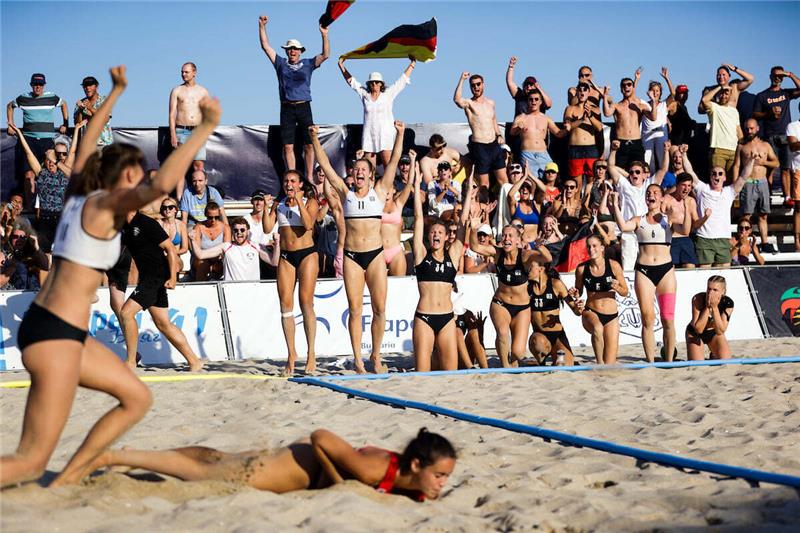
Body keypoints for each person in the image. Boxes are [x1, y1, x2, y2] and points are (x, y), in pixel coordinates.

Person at [0, 66, 220, 488]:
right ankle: (61, 476)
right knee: (29, 461)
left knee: (136, 397)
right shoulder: (104, 205)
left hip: (56, 330)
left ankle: (69, 478)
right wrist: (204, 128)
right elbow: (166, 183)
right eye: (136, 173)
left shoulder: (80, 189)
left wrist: (115, 94)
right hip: (55, 337)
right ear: (123, 177)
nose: (141, 179)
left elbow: (88, 134)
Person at [82, 427, 456, 501]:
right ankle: (115, 456)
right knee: (205, 470)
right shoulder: (375, 471)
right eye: (438, 475)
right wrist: (336, 482)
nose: (441, 483)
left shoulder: (410, 480)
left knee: (214, 458)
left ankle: (132, 456)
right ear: (417, 464)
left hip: (293, 464)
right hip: (288, 471)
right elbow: (321, 436)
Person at [311, 121, 404, 374]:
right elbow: (328, 168)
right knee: (354, 309)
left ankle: (375, 355)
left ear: (371, 175)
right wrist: (315, 139)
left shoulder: (379, 191)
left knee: (380, 309)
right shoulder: (346, 193)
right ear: (352, 174)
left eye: (364, 169)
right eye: (356, 169)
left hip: (375, 255)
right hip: (351, 256)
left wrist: (400, 134)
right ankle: (358, 359)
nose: (359, 172)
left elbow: (394, 160)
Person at [118, 209, 205, 371]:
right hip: (148, 277)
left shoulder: (145, 222)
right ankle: (194, 361)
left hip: (156, 276)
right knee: (163, 323)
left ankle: (130, 362)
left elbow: (170, 249)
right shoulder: (124, 226)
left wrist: (173, 278)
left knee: (126, 313)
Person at [611, 186, 691, 362]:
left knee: (667, 320)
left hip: (666, 272)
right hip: (645, 271)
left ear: (662, 198)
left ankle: (669, 360)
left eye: (655, 193)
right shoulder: (639, 220)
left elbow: (685, 230)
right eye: (648, 193)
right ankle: (650, 361)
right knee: (647, 319)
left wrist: (686, 206)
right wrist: (616, 204)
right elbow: (623, 226)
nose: (651, 195)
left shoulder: (667, 220)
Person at [412, 151, 469, 372]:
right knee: (422, 376)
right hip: (424, 318)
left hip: (446, 318)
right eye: (433, 232)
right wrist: (416, 186)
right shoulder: (420, 255)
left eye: (440, 233)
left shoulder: (453, 256)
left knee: (450, 376)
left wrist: (468, 191)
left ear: (446, 237)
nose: (436, 235)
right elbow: (418, 218)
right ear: (429, 236)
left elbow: (463, 223)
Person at [468, 218, 551, 368]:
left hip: (522, 308)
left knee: (518, 353)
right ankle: (505, 369)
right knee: (503, 333)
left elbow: (547, 258)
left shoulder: (525, 256)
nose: (506, 239)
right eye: (504, 235)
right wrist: (473, 228)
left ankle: (508, 358)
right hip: (501, 304)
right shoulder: (498, 254)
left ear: (518, 240)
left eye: (510, 236)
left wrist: (540, 246)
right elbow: (475, 246)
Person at [262, 170, 320, 375]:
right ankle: (292, 354)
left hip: (307, 254)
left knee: (306, 302)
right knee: (285, 305)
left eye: (293, 181)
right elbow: (268, 228)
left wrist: (299, 201)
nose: (289, 184)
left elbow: (309, 224)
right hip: (286, 256)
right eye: (286, 180)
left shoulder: (309, 202)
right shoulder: (280, 204)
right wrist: (267, 208)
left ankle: (311, 354)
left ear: (301, 184)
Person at [259, 14, 330, 183]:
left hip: (304, 106)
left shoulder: (308, 63)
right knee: (288, 146)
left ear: (300, 51)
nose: (292, 51)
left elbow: (326, 54)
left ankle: (309, 176)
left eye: (295, 49)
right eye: (289, 49)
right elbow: (265, 46)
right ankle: (291, 176)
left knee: (309, 144)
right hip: (287, 108)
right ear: (286, 51)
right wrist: (262, 27)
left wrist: (324, 34)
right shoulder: (281, 63)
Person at [10, 122, 81, 253]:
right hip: (45, 218)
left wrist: (76, 130)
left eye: (53, 160)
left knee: (65, 253)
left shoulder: (64, 172)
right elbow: (28, 152)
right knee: (44, 253)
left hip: (62, 217)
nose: (51, 162)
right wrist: (20, 134)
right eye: (48, 160)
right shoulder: (41, 173)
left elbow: (72, 151)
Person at [338, 57, 415, 170]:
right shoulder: (365, 95)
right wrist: (341, 66)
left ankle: (392, 187)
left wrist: (412, 64)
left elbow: (402, 81)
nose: (374, 84)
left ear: (381, 84)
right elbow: (352, 82)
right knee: (370, 171)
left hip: (385, 136)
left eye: (377, 82)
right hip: (369, 137)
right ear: (369, 84)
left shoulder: (388, 94)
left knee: (389, 169)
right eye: (372, 82)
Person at [6, 73, 69, 208]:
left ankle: (52, 206)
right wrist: (10, 124)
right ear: (31, 85)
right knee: (29, 176)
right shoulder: (23, 98)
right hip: (29, 141)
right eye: (35, 84)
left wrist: (65, 123)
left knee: (52, 173)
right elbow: (9, 106)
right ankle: (29, 209)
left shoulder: (52, 97)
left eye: (40, 85)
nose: (38, 87)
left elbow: (64, 104)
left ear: (44, 85)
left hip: (47, 141)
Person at [570, 235, 629, 365]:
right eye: (589, 246)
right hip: (591, 311)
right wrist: (575, 293)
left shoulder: (613, 265)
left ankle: (603, 366)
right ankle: (599, 363)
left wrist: (617, 287)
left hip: (611, 316)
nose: (591, 249)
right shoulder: (581, 269)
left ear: (602, 248)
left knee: (610, 363)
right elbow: (578, 291)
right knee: (597, 329)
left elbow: (625, 292)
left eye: (594, 246)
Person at [693, 155, 756, 267]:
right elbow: (690, 172)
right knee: (704, 273)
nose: (717, 176)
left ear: (725, 178)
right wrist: (683, 155)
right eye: (714, 173)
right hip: (704, 238)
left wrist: (751, 160)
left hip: (723, 238)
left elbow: (743, 177)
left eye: (720, 173)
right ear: (710, 176)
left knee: (723, 273)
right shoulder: (702, 188)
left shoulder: (729, 191)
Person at [752, 67, 800, 207]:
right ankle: (768, 195)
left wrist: (789, 75)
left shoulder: (786, 93)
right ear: (770, 76)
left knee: (785, 168)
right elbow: (755, 114)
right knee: (770, 168)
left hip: (785, 135)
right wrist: (769, 113)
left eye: (780, 76)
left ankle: (787, 197)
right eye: (775, 75)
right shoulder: (762, 95)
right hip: (770, 135)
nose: (778, 78)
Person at [454, 72, 507, 188]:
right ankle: (483, 206)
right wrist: (462, 79)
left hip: (494, 145)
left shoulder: (491, 103)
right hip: (480, 146)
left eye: (478, 84)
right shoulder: (469, 103)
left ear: (483, 84)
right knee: (484, 185)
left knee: (504, 182)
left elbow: (493, 120)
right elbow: (457, 100)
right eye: (473, 85)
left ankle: (508, 206)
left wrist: (499, 134)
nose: (476, 87)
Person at [733, 119, 779, 252]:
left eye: (752, 128)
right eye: (747, 128)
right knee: (746, 215)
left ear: (757, 128)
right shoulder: (742, 146)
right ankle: (744, 244)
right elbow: (736, 166)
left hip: (762, 182)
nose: (749, 131)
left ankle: (765, 243)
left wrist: (763, 162)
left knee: (763, 215)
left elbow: (776, 163)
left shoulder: (766, 146)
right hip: (748, 183)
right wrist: (735, 186)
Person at [527, 262, 584, 366]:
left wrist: (578, 306)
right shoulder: (527, 287)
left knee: (563, 365)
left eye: (530, 267)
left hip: (557, 335)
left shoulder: (555, 284)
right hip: (540, 336)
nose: (527, 269)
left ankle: (558, 356)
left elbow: (576, 311)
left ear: (541, 268)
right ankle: (541, 362)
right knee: (537, 343)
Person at [168, 62, 210, 198]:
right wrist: (173, 134)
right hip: (181, 131)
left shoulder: (203, 91)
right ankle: (179, 199)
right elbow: (172, 113)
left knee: (198, 166)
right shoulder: (177, 90)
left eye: (186, 72)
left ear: (194, 72)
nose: (183, 74)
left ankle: (199, 197)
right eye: (182, 72)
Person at [193, 217, 280, 280]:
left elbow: (274, 262)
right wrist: (192, 239)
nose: (239, 233)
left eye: (242, 230)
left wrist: (277, 244)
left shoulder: (256, 246)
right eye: (236, 230)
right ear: (232, 231)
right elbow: (200, 255)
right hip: (231, 291)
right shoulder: (226, 247)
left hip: (252, 291)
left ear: (248, 232)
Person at [510, 90, 569, 179]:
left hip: (543, 155)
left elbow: (558, 134)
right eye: (531, 99)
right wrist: (518, 128)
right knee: (530, 183)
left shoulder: (546, 118)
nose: (534, 102)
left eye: (536, 99)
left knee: (550, 181)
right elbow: (512, 133)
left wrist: (567, 130)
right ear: (527, 101)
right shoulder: (521, 118)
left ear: (541, 102)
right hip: (527, 155)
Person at [602, 71, 649, 170]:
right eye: (623, 85)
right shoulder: (617, 105)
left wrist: (653, 101)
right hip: (621, 143)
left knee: (638, 170)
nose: (626, 87)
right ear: (621, 89)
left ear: (633, 87)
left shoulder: (639, 105)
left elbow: (653, 117)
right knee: (619, 171)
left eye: (629, 85)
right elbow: (606, 113)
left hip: (636, 142)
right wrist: (605, 96)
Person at [563, 82, 604, 190]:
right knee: (577, 185)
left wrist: (590, 116)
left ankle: (589, 206)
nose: (582, 91)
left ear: (588, 92)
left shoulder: (595, 109)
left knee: (592, 185)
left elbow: (599, 128)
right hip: (575, 149)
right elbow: (568, 126)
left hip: (591, 148)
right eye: (580, 89)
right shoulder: (570, 108)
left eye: (585, 89)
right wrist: (581, 119)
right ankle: (577, 205)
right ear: (576, 92)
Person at [701, 84, 743, 181]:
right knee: (717, 181)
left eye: (726, 93)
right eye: (721, 94)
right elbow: (704, 100)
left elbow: (738, 131)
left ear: (730, 95)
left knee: (732, 182)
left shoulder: (734, 111)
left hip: (734, 151)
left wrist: (743, 147)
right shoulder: (714, 108)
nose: (723, 96)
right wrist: (721, 87)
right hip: (718, 151)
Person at [686, 276, 734, 360]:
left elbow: (720, 331)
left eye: (715, 290)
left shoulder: (728, 303)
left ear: (723, 292)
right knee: (698, 365)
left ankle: (714, 353)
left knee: (726, 360)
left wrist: (714, 308)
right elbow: (698, 329)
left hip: (713, 332)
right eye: (709, 289)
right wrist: (708, 307)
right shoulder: (698, 299)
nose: (710, 293)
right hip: (695, 334)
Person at [382, 158, 414, 276]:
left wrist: (413, 159)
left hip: (395, 251)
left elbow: (409, 183)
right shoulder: (375, 205)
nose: (386, 190)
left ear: (394, 189)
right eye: (384, 187)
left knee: (398, 286)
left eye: (389, 187)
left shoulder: (398, 204)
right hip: (378, 252)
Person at [662, 170, 701, 268]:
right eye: (684, 185)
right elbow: (661, 220)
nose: (686, 188)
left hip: (686, 239)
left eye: (689, 186)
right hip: (671, 239)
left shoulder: (691, 201)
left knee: (690, 267)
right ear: (677, 185)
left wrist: (705, 218)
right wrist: (669, 215)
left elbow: (696, 224)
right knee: (670, 269)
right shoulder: (667, 199)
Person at [0, 223, 49, 291]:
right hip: (11, 294)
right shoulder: (4, 253)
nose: (19, 240)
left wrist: (36, 247)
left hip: (31, 293)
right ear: (10, 238)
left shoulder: (31, 252)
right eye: (15, 237)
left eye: (22, 237)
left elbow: (45, 266)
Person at [190, 201, 229, 280]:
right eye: (210, 217)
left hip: (218, 259)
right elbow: (197, 251)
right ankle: (200, 287)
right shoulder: (199, 227)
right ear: (205, 215)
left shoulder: (225, 228)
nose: (213, 220)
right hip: (201, 259)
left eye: (216, 217)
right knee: (202, 264)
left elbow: (227, 249)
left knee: (221, 265)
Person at [641, 72, 672, 170]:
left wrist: (667, 78)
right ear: (649, 92)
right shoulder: (644, 104)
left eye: (657, 91)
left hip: (661, 135)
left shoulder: (664, 104)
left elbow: (674, 94)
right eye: (653, 90)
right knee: (648, 163)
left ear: (660, 92)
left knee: (662, 161)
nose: (655, 93)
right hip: (647, 135)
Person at [74, 76, 113, 149]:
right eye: (85, 86)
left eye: (90, 85)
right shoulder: (80, 103)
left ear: (96, 86)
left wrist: (90, 108)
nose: (87, 88)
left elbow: (105, 119)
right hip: (86, 145)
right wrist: (80, 110)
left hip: (102, 144)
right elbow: (78, 124)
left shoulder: (105, 100)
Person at [787, 102, 800, 250]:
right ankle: (797, 240)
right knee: (799, 207)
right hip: (798, 169)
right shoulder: (793, 126)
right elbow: (793, 145)